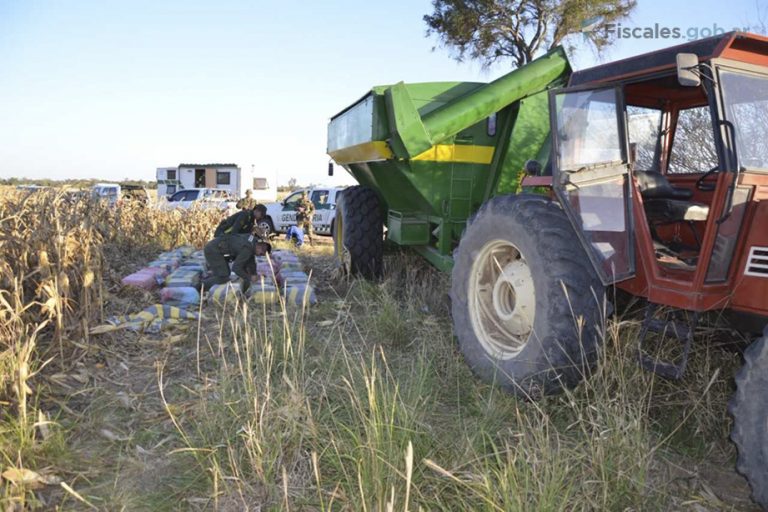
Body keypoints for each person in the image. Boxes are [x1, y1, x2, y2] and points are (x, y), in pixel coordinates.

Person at [202, 234, 272, 292]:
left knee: (224, 273)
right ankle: (201, 286)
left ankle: (209, 283)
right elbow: (236, 268)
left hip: (218, 249)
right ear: (260, 244)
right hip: (213, 251)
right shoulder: (247, 249)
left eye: (263, 254)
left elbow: (251, 262)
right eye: (262, 250)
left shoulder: (252, 242)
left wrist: (254, 274)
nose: (261, 253)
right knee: (223, 276)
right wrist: (249, 277)